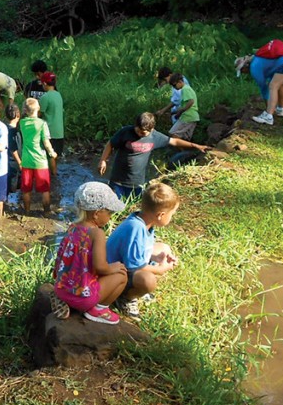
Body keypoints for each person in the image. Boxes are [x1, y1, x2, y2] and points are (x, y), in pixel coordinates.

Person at [50, 182, 128, 325]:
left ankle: (63, 298)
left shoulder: (72, 228)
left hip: (61, 288)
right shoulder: (96, 233)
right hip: (83, 298)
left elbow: (61, 256)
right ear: (97, 214)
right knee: (122, 275)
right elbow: (100, 267)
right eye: (109, 213)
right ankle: (98, 310)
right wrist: (115, 267)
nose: (110, 217)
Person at [106, 182, 180, 320]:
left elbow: (140, 248)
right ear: (161, 215)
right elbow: (133, 267)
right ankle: (125, 298)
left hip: (125, 265)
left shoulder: (143, 221)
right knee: (148, 281)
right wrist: (161, 269)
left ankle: (132, 289)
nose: (172, 217)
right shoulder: (136, 228)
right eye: (172, 214)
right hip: (113, 275)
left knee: (164, 249)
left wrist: (158, 257)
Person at [98, 112, 210, 201]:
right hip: (117, 181)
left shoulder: (155, 137)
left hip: (137, 183)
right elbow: (111, 144)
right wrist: (103, 160)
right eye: (138, 130)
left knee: (132, 209)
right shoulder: (126, 132)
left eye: (143, 133)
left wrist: (195, 145)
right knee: (112, 208)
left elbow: (174, 141)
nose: (139, 134)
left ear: (152, 129)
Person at [239, 41, 283, 125]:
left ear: (245, 66)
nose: (244, 73)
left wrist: (268, 107)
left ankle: (268, 116)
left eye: (242, 71)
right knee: (280, 84)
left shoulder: (254, 68)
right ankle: (280, 110)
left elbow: (264, 89)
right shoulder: (258, 59)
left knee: (273, 86)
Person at [19, 98, 57, 215]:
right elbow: (46, 142)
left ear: (25, 110)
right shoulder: (41, 123)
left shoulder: (22, 123)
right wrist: (52, 153)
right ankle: (47, 211)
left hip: (26, 160)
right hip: (40, 161)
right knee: (44, 189)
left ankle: (27, 211)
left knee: (26, 190)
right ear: (39, 108)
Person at [37, 71, 64, 170]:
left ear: (44, 83)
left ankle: (53, 177)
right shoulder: (58, 95)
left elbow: (39, 114)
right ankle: (55, 174)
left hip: (49, 132)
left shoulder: (45, 97)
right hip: (60, 132)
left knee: (50, 156)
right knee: (55, 155)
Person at [166, 73, 199, 140]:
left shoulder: (185, 89)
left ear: (180, 82)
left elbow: (191, 101)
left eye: (174, 85)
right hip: (191, 116)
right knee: (184, 138)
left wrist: (182, 110)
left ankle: (183, 149)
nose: (174, 87)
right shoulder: (187, 88)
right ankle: (185, 149)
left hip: (188, 117)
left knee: (173, 134)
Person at [4, 103, 23, 197]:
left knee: (7, 185)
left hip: (6, 161)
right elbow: (13, 148)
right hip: (14, 162)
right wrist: (19, 162)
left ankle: (5, 202)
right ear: (18, 115)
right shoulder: (14, 131)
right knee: (12, 186)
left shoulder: (5, 128)